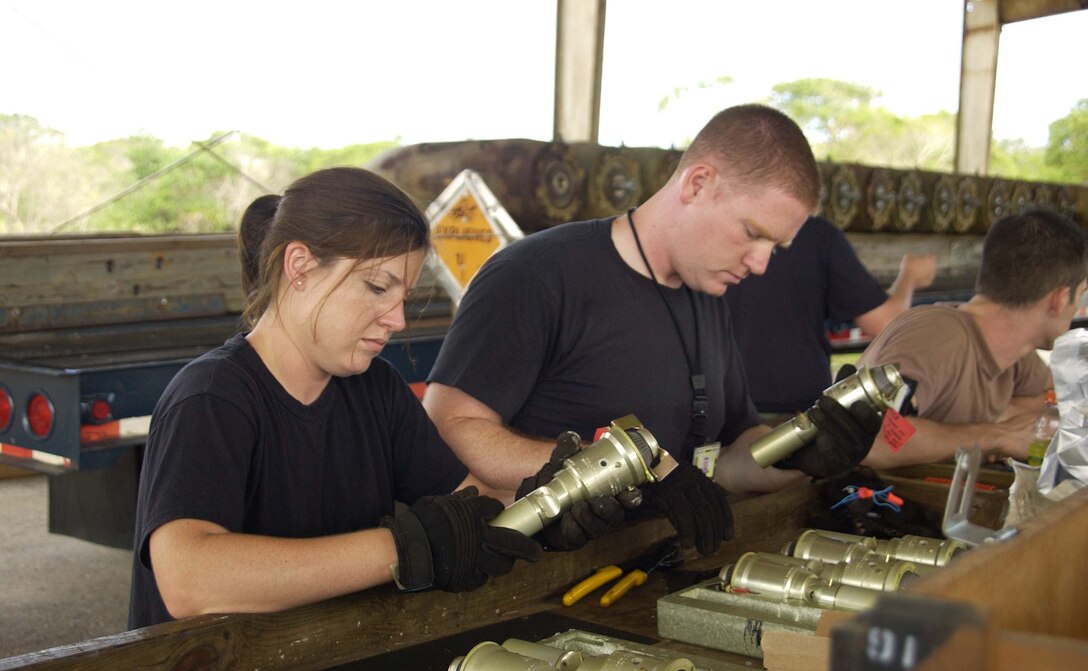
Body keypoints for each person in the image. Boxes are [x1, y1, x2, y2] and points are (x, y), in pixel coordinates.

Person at [422, 105, 883, 557]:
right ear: (698, 184)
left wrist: (803, 452)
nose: (760, 264)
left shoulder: (708, 294)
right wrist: (630, 471)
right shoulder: (537, 275)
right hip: (533, 576)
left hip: (652, 570)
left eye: (775, 246)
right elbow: (449, 427)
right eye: (751, 232)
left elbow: (727, 460)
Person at [128, 167, 541, 629]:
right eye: (377, 287)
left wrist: (550, 505)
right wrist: (402, 548)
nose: (398, 320)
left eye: (404, 296)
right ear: (299, 267)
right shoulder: (212, 398)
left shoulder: (376, 391)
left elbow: (471, 504)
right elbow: (189, 581)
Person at [857, 208, 1088, 469]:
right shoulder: (939, 337)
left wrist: (993, 422)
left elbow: (1061, 400)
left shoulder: (1014, 354)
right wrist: (998, 435)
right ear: (1058, 299)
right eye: (1080, 294)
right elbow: (872, 438)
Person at [725, 215, 937, 414]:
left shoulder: (717, 226)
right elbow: (883, 322)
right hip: (795, 411)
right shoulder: (813, 232)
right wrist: (910, 276)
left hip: (720, 405)